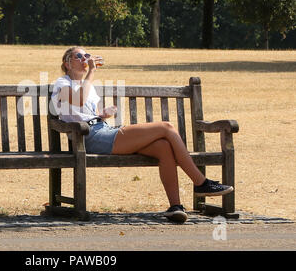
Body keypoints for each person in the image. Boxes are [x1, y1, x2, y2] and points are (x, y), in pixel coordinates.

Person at [51, 46, 234, 223]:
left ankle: (175, 207)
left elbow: (88, 111)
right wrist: (92, 72)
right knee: (167, 127)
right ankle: (201, 183)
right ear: (67, 63)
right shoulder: (63, 83)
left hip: (103, 130)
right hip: (88, 138)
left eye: (87, 55)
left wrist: (103, 113)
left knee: (163, 147)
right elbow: (79, 99)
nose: (85, 59)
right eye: (79, 57)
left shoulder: (88, 88)